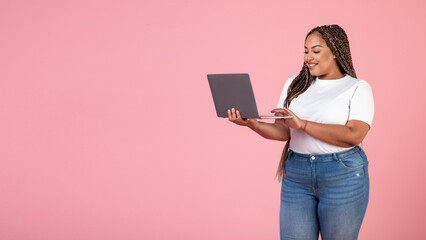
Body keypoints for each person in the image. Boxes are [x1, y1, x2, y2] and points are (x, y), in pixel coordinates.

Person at [227, 24, 374, 240]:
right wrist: (251, 123)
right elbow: (284, 132)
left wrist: (303, 124)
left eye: (316, 51)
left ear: (335, 51)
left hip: (343, 174)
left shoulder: (357, 88)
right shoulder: (295, 84)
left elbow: (354, 135)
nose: (308, 57)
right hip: (297, 173)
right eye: (305, 51)